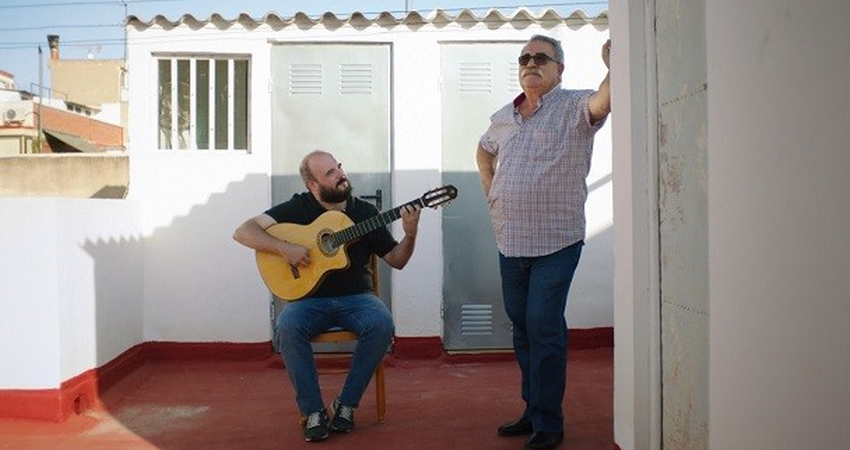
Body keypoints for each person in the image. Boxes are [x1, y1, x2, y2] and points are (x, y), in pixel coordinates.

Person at [475, 35, 611, 450]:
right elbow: (484, 150)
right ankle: (533, 410)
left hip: (557, 242)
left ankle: (549, 422)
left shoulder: (574, 106)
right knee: (522, 329)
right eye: (524, 58)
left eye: (541, 58)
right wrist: (491, 190)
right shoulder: (505, 115)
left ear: (559, 69)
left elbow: (604, 101)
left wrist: (615, 65)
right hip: (510, 240)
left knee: (543, 325)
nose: (530, 63)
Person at [233, 150, 421, 442]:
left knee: (382, 323)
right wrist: (285, 248)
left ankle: (345, 404)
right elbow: (243, 232)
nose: (341, 175)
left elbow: (397, 260)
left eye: (339, 167)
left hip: (358, 298)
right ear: (312, 185)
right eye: (330, 173)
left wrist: (410, 234)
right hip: (308, 301)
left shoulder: (365, 214)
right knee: (288, 327)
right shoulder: (298, 207)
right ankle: (313, 411)